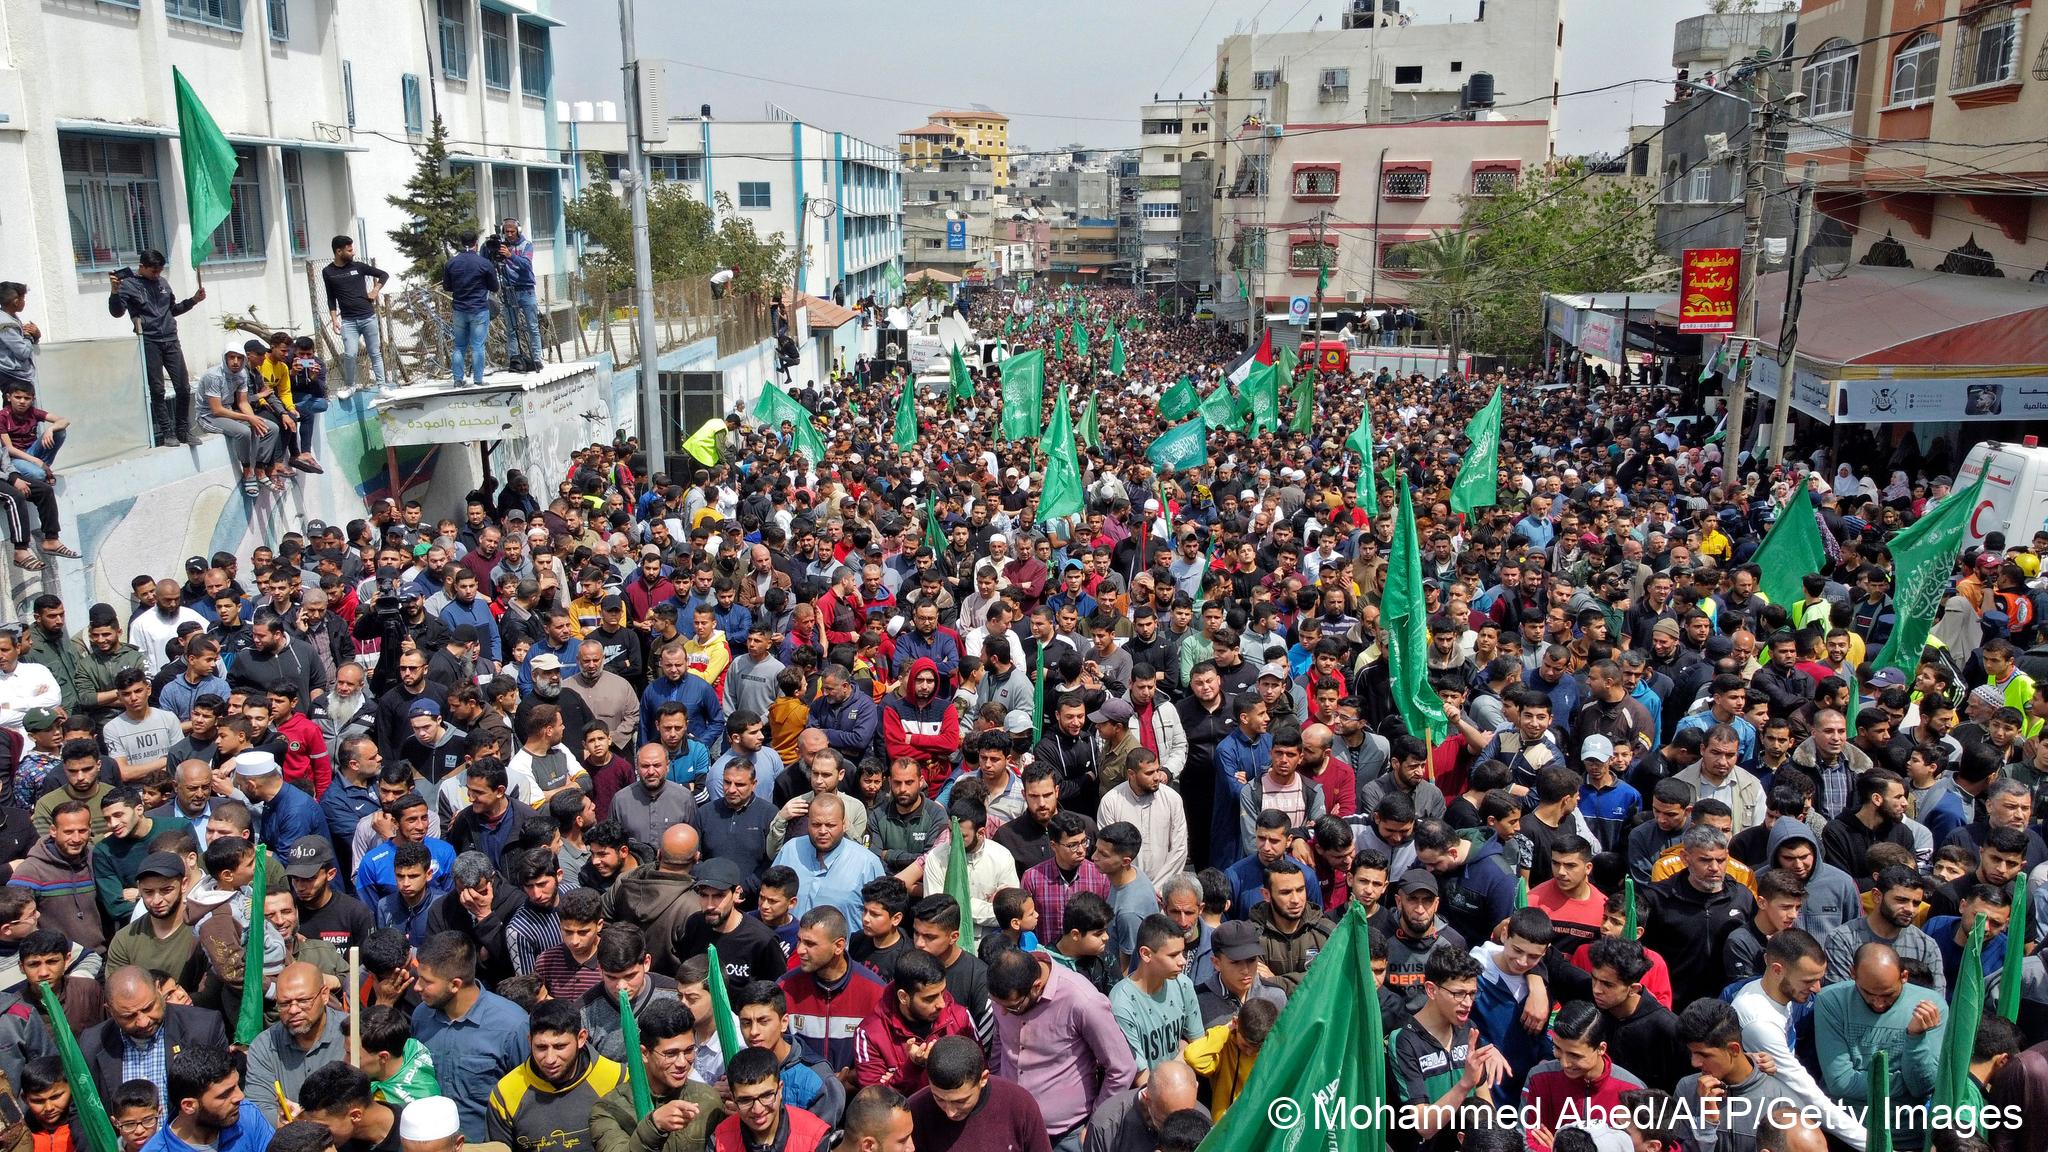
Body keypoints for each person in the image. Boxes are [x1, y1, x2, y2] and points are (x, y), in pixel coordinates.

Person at [987, 947, 1136, 1150]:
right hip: (1012, 1125)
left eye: (1012, 1007)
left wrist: (1096, 1123)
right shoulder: (1007, 996)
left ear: (1036, 987)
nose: (1003, 1013)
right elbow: (999, 1044)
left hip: (1067, 1136)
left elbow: (1122, 1067)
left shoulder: (1082, 1000)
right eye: (997, 1004)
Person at [410, 931, 529, 1140]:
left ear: (455, 984)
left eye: (426, 981)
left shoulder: (512, 1026)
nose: (417, 987)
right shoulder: (421, 1016)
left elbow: (526, 1100)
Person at [486, 998, 626, 1152]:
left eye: (560, 1046)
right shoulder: (505, 1094)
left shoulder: (618, 1080)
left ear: (581, 1038)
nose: (550, 1059)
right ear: (529, 1041)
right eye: (541, 1047)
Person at [107, 250, 204, 448]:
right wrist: (115, 292)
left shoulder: (163, 284)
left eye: (160, 271)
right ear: (142, 266)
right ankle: (167, 432)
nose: (157, 275)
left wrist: (193, 300)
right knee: (158, 389)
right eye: (153, 271)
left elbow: (173, 310)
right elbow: (117, 312)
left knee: (184, 388)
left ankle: (183, 430)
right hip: (150, 341)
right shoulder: (128, 285)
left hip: (171, 339)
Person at [906, 1035, 1050, 1152]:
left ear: (983, 1079)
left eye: (960, 1101)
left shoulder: (1019, 1104)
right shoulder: (915, 1113)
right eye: (939, 1099)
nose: (950, 1112)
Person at [139, 1047, 272, 1152]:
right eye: (225, 1094)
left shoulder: (248, 1116)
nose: (240, 1097)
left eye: (237, 1086)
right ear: (189, 1106)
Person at [442, 234, 499, 387]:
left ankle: (458, 379)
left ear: (462, 243)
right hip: (479, 309)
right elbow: (495, 287)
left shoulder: (451, 263)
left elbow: (447, 287)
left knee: (459, 346)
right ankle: (478, 379)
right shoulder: (484, 263)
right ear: (476, 243)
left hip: (459, 309)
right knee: (477, 345)